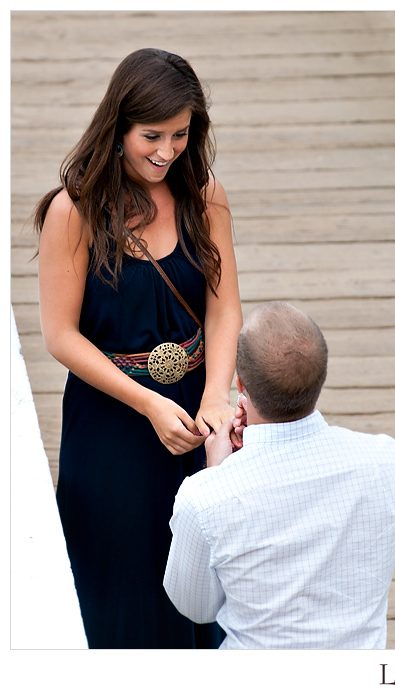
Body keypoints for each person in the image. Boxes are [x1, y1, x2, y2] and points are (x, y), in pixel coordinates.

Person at [35, 48, 242, 648]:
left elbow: (223, 305)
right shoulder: (72, 211)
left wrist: (215, 393)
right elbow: (60, 335)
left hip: (196, 412)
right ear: (118, 126)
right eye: (151, 135)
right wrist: (148, 404)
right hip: (113, 416)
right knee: (122, 580)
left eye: (180, 135)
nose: (166, 150)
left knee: (200, 577)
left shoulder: (206, 196)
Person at [163, 302, 395, 649]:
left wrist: (216, 475)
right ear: (322, 375)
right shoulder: (387, 460)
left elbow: (196, 608)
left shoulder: (203, 498)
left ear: (240, 384)